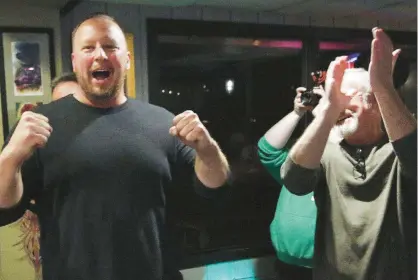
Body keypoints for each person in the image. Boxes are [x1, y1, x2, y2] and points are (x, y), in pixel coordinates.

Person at [0, 13, 230, 280]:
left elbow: (215, 189)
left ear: (127, 60)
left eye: (110, 46)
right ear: (75, 62)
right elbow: (4, 210)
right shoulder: (41, 124)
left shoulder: (163, 122)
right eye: (88, 48)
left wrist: (208, 149)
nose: (100, 55)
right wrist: (11, 156)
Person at [280, 28, 416, 280]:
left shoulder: (398, 148)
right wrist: (329, 109)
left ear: (374, 102)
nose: (340, 104)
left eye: (348, 97)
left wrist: (383, 86)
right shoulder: (326, 149)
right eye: (335, 98)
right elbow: (294, 180)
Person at [258, 87, 321, 280]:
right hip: (287, 262)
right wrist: (297, 113)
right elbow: (268, 150)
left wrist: (327, 116)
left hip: (332, 262)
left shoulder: (347, 158)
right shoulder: (302, 162)